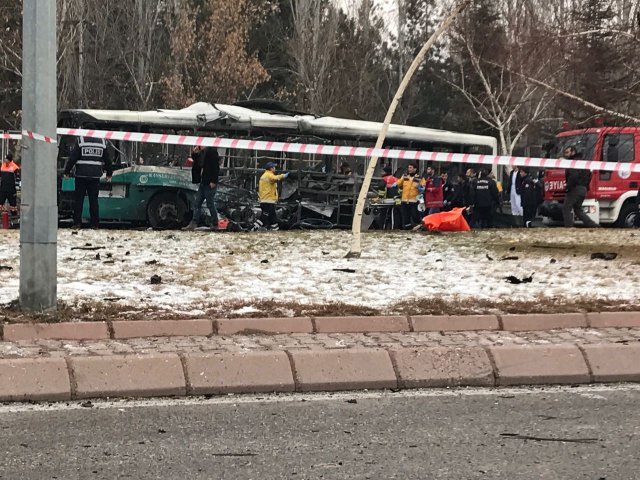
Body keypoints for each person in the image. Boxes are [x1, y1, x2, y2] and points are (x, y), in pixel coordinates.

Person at [64, 136, 113, 229]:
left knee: (79, 200)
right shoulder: (102, 142)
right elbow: (107, 159)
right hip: (95, 176)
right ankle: (95, 224)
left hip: (81, 175)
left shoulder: (81, 140)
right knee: (93, 201)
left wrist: (67, 171)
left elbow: (73, 157)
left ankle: (77, 223)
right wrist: (109, 173)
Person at [183, 146, 221, 230]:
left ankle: (215, 223)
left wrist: (214, 181)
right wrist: (195, 153)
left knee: (210, 203)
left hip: (209, 182)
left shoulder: (212, 152)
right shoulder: (203, 153)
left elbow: (215, 167)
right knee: (197, 203)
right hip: (203, 182)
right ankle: (194, 222)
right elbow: (197, 162)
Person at [562, 146, 598, 228]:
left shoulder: (572, 163)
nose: (566, 154)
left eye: (567, 152)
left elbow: (573, 176)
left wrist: (568, 187)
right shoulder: (583, 162)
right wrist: (586, 187)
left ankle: (569, 227)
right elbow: (589, 175)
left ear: (573, 152)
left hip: (575, 188)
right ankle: (592, 225)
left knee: (566, 208)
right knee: (578, 209)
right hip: (583, 189)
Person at [257, 161, 289, 230]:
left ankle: (275, 229)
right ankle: (253, 227)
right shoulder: (269, 175)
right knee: (264, 217)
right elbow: (275, 178)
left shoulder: (263, 176)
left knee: (272, 217)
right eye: (274, 167)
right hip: (268, 201)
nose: (275, 168)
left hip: (264, 200)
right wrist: (284, 175)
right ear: (271, 168)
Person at [396, 163, 425, 229]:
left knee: (415, 216)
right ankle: (407, 229)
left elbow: (423, 187)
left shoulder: (420, 178)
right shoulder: (405, 176)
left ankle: (420, 227)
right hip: (404, 200)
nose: (409, 169)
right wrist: (400, 180)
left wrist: (421, 189)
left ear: (415, 169)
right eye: (408, 167)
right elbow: (399, 184)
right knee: (405, 216)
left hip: (414, 201)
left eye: (411, 168)